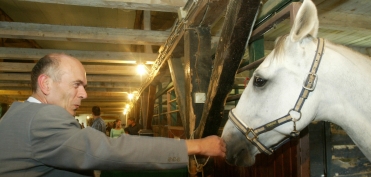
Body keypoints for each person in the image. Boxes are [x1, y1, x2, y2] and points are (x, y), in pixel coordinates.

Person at [0, 53, 226, 176]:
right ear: (46, 84)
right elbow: (110, 150)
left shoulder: (16, 116)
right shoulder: (43, 117)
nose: (84, 94)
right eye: (77, 84)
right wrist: (197, 146)